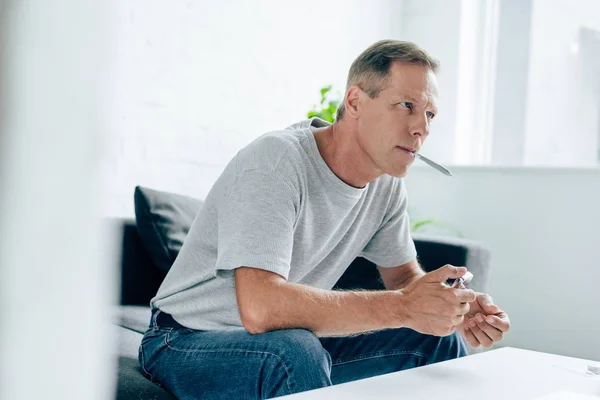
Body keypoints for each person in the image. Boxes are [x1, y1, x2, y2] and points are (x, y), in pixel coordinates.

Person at [139, 39, 511, 400]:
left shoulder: (385, 186)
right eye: (406, 105)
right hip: (183, 339)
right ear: (355, 102)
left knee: (435, 338)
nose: (422, 129)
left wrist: (447, 308)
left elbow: (404, 281)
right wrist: (404, 306)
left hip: (280, 338)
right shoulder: (276, 161)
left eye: (429, 114)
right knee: (292, 353)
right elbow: (260, 309)